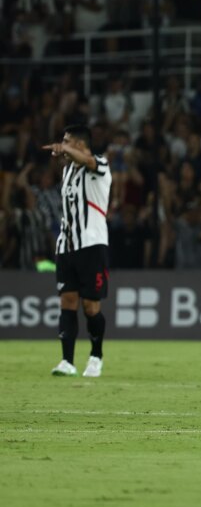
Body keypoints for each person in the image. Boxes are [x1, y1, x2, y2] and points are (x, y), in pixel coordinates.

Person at [43, 124, 112, 378]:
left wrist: (68, 150)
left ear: (81, 145)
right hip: (67, 246)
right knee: (67, 302)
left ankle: (96, 357)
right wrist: (65, 152)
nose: (62, 144)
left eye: (67, 141)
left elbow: (88, 160)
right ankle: (67, 361)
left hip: (92, 245)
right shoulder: (68, 171)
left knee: (91, 307)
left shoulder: (100, 166)